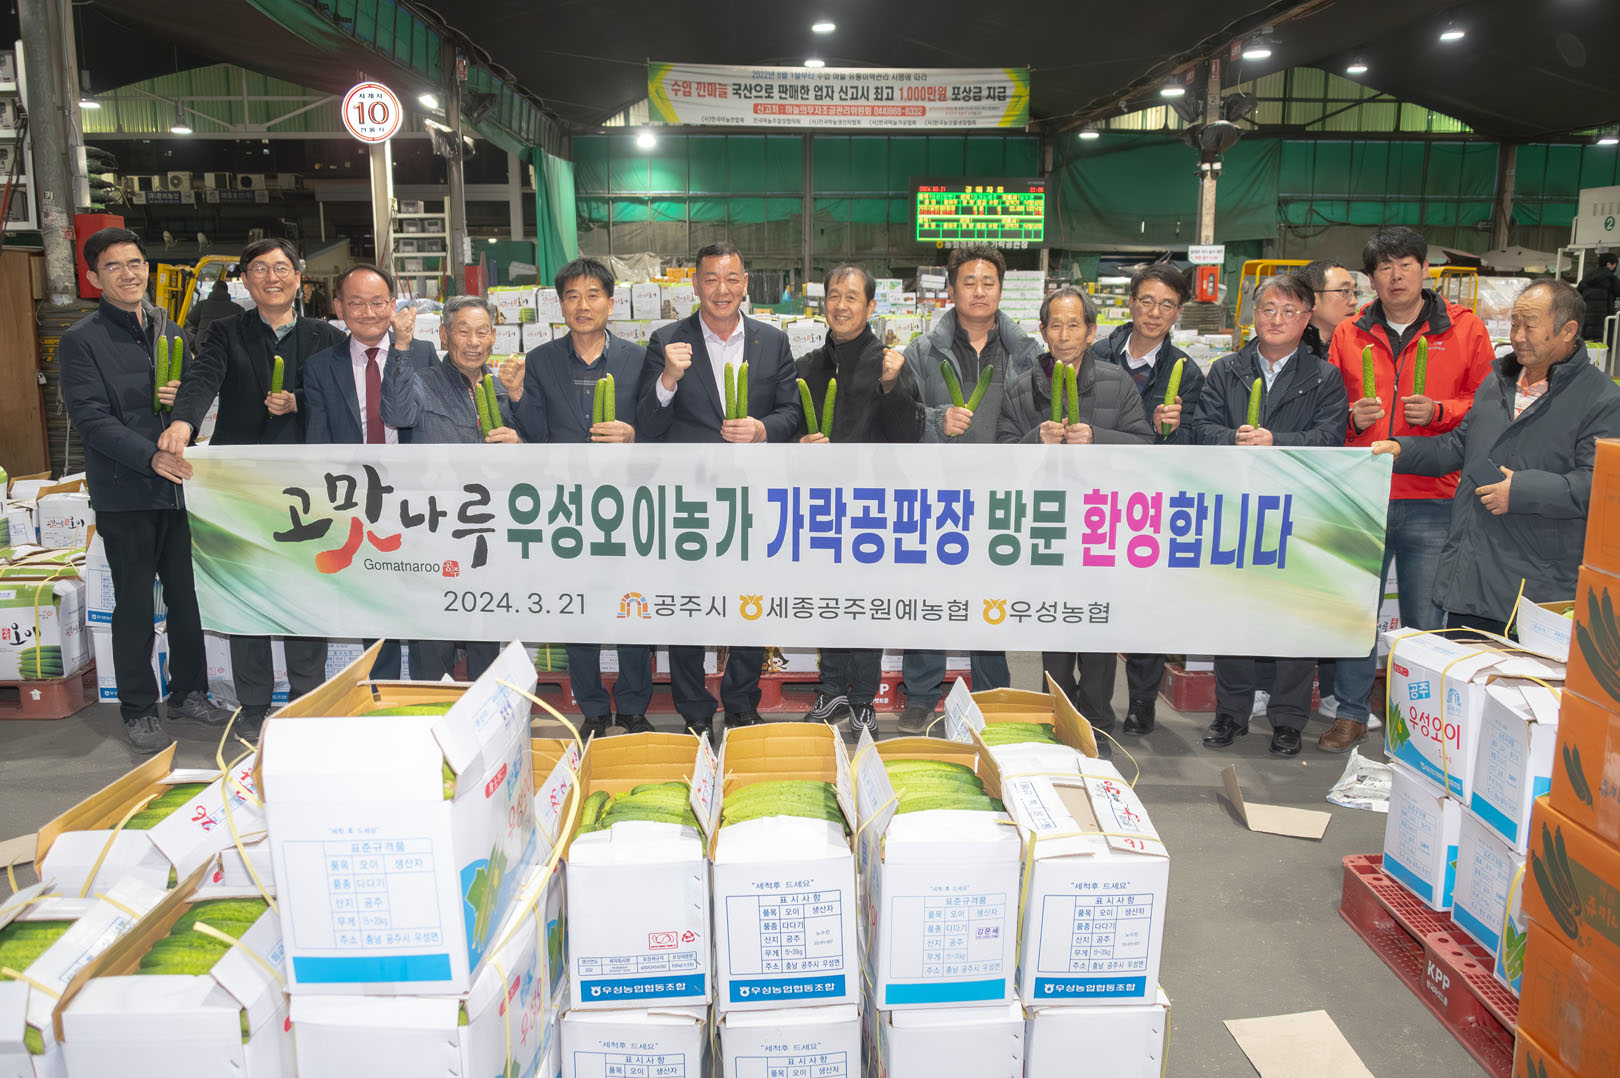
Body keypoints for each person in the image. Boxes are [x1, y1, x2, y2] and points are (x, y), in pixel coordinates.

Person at [59, 228, 232, 752]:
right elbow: (91, 419)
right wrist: (149, 455)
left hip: (177, 490)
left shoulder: (169, 329)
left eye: (135, 263)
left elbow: (192, 399)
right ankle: (137, 707)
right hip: (125, 489)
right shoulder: (82, 340)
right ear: (94, 278)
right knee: (134, 602)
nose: (129, 274)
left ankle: (188, 692)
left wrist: (183, 411)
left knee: (186, 597)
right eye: (114, 266)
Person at [1322, 226, 1494, 752]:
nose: (1395, 276)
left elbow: (1489, 404)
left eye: (1406, 265)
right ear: (1371, 278)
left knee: (1425, 618)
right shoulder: (1349, 333)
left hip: (1433, 494)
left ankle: (1423, 720)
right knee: (1356, 611)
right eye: (1384, 267)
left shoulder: (1465, 329)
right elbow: (1326, 409)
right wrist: (1351, 418)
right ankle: (1351, 712)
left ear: (1424, 270)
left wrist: (1441, 411)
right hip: (1363, 493)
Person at [162, 238, 344, 733]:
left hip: (305, 482)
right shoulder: (227, 332)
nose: (271, 277)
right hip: (240, 481)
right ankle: (254, 702)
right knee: (246, 589)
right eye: (259, 269)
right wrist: (182, 423)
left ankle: (306, 697)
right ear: (245, 280)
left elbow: (337, 394)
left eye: (281, 268)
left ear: (298, 276)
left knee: (305, 588)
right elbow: (203, 379)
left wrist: (298, 400)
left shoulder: (325, 335)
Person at [1373, 281, 1620, 635]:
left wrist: (1520, 492)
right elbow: (1460, 445)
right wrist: (1402, 450)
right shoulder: (1497, 381)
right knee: (1462, 662)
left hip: (1537, 584)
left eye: (1529, 326)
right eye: (1514, 324)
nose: (1517, 336)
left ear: (1568, 331)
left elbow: (1598, 484)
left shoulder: (1602, 400)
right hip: (1472, 573)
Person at [635, 241, 800, 741]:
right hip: (690, 499)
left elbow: (791, 412)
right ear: (695, 285)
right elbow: (646, 424)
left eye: (731, 279)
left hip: (753, 500)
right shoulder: (667, 340)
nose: (721, 289)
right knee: (689, 605)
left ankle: (742, 703)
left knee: (750, 601)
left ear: (745, 283)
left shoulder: (772, 341)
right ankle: (694, 709)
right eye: (711, 279)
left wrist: (762, 429)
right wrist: (668, 378)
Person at [1190, 274, 1348, 757]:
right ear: (1253, 315)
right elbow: (1201, 428)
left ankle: (1289, 719)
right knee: (1234, 612)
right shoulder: (1226, 370)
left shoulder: (1324, 377)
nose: (1277, 319)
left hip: (1298, 513)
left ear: (1307, 318)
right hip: (1235, 508)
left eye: (1289, 311)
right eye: (1268, 310)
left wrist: (1276, 442)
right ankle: (1231, 712)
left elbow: (1330, 438)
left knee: (1294, 616)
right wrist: (1231, 438)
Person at [997, 285, 1151, 737]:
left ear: (1091, 332)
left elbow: (1145, 446)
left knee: (1098, 629)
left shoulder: (1116, 382)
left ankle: (1098, 724)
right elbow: (1000, 455)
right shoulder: (1021, 387)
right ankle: (1057, 719)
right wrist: (1035, 440)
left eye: (1074, 325)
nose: (1064, 335)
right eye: (1055, 326)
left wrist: (1097, 437)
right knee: (1055, 629)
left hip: (1101, 526)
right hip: (1045, 526)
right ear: (1042, 331)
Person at [896, 245, 1037, 734]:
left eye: (988, 282)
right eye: (969, 282)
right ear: (952, 290)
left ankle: (992, 692)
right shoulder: (922, 351)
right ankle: (920, 693)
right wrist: (939, 420)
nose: (979, 291)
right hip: (938, 493)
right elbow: (901, 417)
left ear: (1001, 290)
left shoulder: (1026, 353)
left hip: (1002, 495)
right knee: (930, 594)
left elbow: (1038, 416)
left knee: (991, 597)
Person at [513, 257, 655, 740]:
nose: (583, 305)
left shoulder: (638, 359)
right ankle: (592, 707)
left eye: (593, 295)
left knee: (633, 604)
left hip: (629, 505)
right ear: (560, 305)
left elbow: (656, 425)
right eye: (572, 296)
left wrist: (633, 434)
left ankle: (633, 706)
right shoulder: (541, 361)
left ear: (611, 303)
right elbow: (536, 432)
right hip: (568, 507)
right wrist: (517, 397)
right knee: (578, 607)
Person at [796, 263, 924, 738]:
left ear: (870, 306)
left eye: (852, 297)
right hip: (821, 506)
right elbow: (790, 429)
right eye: (834, 295)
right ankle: (831, 687)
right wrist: (798, 444)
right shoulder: (808, 366)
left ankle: (863, 697)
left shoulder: (890, 364)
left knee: (867, 602)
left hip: (873, 505)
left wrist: (891, 387)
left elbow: (909, 435)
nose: (841, 305)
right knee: (829, 598)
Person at [1084, 263, 1207, 737]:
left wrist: (1172, 430)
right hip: (1095, 496)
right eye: (1148, 301)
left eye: (1167, 305)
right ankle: (1090, 701)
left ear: (1178, 313)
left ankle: (1141, 701)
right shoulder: (1096, 353)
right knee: (1094, 601)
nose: (1155, 313)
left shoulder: (1186, 371)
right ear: (1132, 303)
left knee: (1145, 604)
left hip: (1149, 502)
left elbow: (1196, 440)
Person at [381, 294, 522, 682]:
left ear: (493, 337)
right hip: (435, 531)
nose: (473, 342)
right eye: (463, 331)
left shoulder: (502, 387)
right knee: (434, 635)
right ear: (444, 335)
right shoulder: (422, 383)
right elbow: (395, 413)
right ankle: (433, 710)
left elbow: (534, 450)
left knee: (486, 633)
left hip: (490, 531)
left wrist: (520, 442)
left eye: (482, 332)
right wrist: (401, 347)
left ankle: (484, 707)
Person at [301, 264, 425, 680]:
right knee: (373, 598)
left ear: (393, 305)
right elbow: (318, 439)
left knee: (422, 591)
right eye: (356, 303)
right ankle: (380, 685)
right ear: (339, 308)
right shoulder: (320, 367)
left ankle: (426, 685)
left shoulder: (423, 354)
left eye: (377, 302)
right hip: (358, 500)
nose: (368, 312)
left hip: (415, 498)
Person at [1298, 259, 1359, 361]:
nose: (1354, 302)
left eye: (1356, 292)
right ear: (1312, 300)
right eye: (1345, 292)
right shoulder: (1288, 348)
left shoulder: (1361, 345)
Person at [184, 279, 241, 350]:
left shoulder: (202, 305)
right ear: (226, 290)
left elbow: (189, 323)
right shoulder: (238, 309)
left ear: (213, 289)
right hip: (228, 346)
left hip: (203, 344)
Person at [1578, 253, 1620, 343]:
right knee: (1602, 347)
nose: (1615, 267)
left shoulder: (1587, 278)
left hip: (1586, 321)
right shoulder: (1611, 279)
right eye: (1615, 264)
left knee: (1586, 346)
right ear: (1609, 264)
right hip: (1603, 322)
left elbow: (1578, 292)